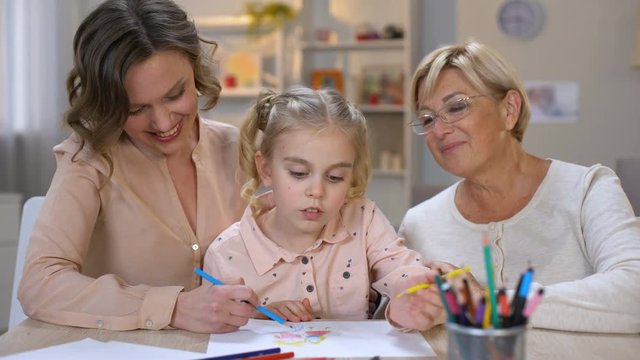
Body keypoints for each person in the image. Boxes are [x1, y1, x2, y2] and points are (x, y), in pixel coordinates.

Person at [18, 0, 260, 333]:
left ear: (196, 70)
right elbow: (39, 284)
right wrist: (172, 308)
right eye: (135, 110)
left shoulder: (235, 148)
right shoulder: (89, 159)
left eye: (175, 95)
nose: (163, 124)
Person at [399, 40, 640, 333]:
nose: (439, 129)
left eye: (457, 106)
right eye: (428, 118)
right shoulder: (419, 223)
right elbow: (393, 325)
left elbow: (634, 292)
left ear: (509, 109)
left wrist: (488, 305)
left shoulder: (588, 190)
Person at [203, 87, 437, 330]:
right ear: (265, 170)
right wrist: (259, 320)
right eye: (299, 173)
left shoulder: (363, 218)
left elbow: (401, 268)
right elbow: (217, 327)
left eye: (335, 177)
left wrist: (415, 292)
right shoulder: (226, 255)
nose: (317, 191)